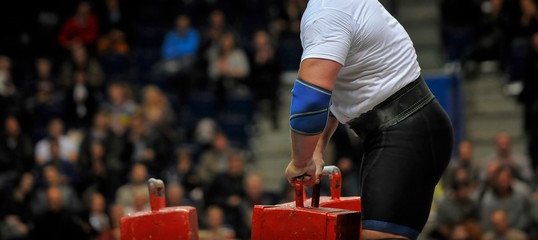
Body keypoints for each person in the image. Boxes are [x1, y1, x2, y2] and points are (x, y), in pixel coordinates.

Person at [283, 0, 454, 239]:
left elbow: (310, 101)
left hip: (402, 133)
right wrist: (316, 151)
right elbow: (335, 89)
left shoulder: (325, 12)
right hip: (408, 128)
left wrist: (300, 161)